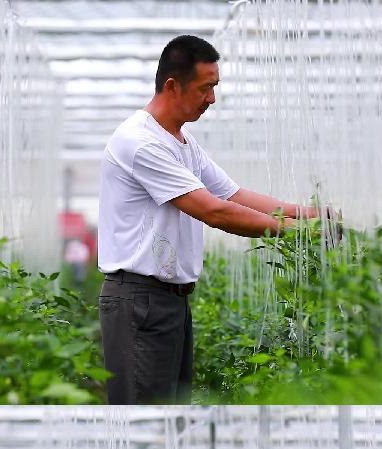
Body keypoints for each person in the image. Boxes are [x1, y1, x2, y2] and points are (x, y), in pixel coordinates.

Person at [97, 35, 339, 405]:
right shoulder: (140, 142)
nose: (212, 98)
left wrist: (308, 214)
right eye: (205, 88)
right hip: (140, 300)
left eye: (215, 87)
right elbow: (214, 211)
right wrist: (299, 233)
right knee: (142, 420)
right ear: (172, 85)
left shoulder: (182, 142)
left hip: (169, 300)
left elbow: (233, 195)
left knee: (170, 414)